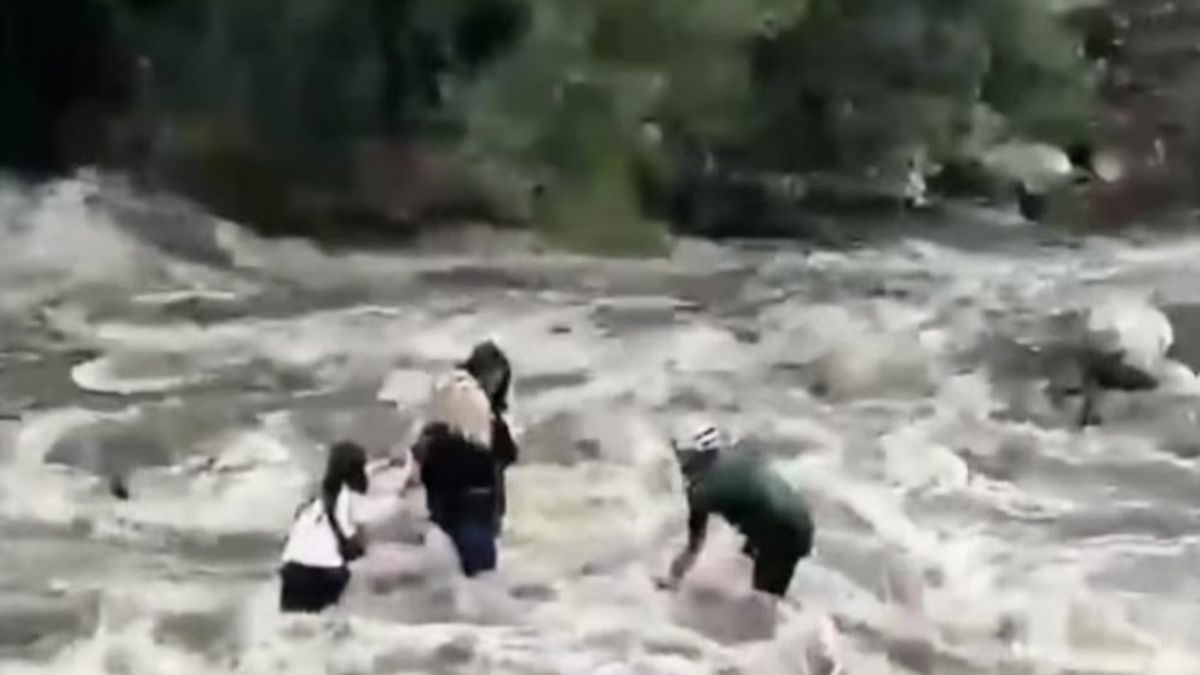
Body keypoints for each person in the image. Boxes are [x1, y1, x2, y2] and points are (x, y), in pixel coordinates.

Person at [657, 423, 815, 606]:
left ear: (694, 457)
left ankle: (804, 616)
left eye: (681, 455)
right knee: (749, 559)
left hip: (782, 531)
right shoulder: (734, 453)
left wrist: (673, 579)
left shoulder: (701, 490)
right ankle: (798, 608)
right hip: (799, 517)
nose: (679, 461)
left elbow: (694, 547)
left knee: (762, 602)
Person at [409, 341, 517, 577]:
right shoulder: (478, 407)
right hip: (471, 502)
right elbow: (496, 459)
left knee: (460, 571)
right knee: (479, 574)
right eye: (493, 379)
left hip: (452, 501)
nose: (493, 386)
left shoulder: (447, 393)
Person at [278, 441, 372, 613]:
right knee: (324, 622)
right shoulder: (345, 495)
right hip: (325, 570)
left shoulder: (315, 493)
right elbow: (351, 538)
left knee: (294, 622)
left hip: (292, 567)